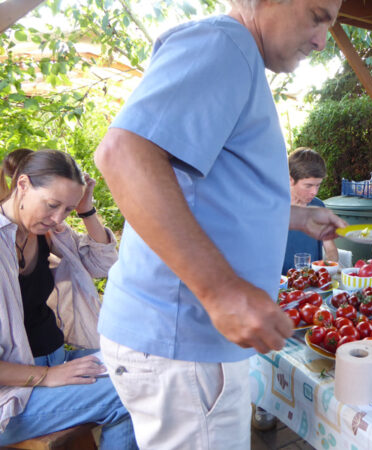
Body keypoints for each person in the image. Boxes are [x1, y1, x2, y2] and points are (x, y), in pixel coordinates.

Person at [93, 0, 345, 448]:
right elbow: (123, 154)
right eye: (317, 15)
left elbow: (216, 196)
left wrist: (297, 217)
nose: (322, 40)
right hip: (184, 341)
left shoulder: (238, 56)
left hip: (184, 343)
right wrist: (221, 291)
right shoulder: (224, 43)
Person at [0, 148, 137, 448]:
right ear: (22, 185)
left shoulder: (47, 232)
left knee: (141, 369)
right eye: (52, 205)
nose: (57, 218)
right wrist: (47, 376)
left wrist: (86, 210)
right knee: (130, 390)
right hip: (13, 396)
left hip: (59, 362)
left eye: (67, 209)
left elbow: (104, 266)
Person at [282, 147, 339, 274]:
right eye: (308, 186)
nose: (314, 192)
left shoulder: (318, 206)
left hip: (311, 284)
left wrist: (328, 267)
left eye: (318, 185)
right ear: (291, 179)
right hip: (280, 286)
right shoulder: (273, 209)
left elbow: (330, 249)